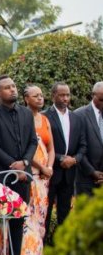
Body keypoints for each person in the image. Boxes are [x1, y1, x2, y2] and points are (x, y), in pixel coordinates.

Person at [0, 75, 37, 255]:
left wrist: (25, 163)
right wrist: (14, 166)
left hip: (22, 176)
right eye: (7, 87)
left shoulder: (26, 113)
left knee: (17, 221)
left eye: (13, 86)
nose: (12, 89)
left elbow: (33, 141)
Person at [12, 85, 54, 255]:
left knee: (40, 219)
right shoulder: (22, 118)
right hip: (29, 174)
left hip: (44, 178)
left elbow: (51, 148)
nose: (40, 98)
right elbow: (27, 149)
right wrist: (41, 167)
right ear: (26, 98)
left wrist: (49, 167)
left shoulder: (44, 119)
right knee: (27, 219)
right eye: (35, 96)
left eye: (41, 95)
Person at [43, 82, 86, 237]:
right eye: (62, 95)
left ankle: (62, 248)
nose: (65, 98)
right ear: (53, 96)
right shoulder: (44, 116)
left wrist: (74, 160)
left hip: (69, 173)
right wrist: (61, 158)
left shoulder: (76, 118)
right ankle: (43, 249)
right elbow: (42, 146)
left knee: (65, 215)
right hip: (50, 172)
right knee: (45, 214)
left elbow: (83, 145)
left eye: (67, 95)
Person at [73, 82, 103, 195]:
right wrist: (92, 171)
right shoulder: (79, 115)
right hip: (85, 180)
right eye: (101, 99)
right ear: (92, 95)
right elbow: (77, 147)